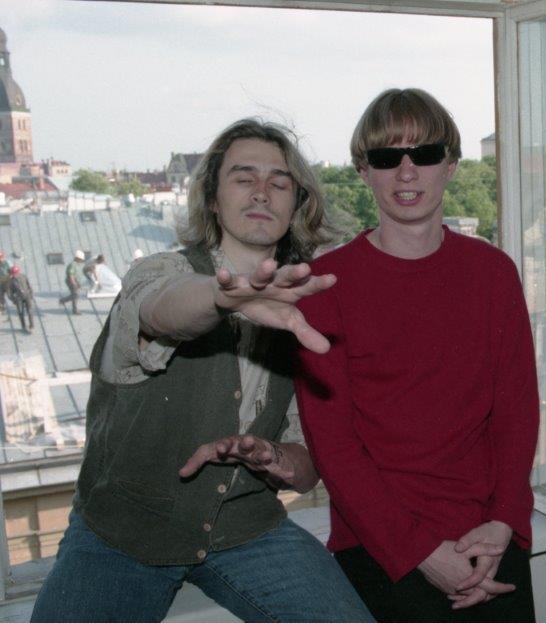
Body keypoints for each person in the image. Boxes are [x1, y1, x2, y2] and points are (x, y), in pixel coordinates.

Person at [31, 118, 373, 623]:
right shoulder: (160, 273)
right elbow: (161, 308)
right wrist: (219, 296)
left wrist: (272, 456)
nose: (261, 191)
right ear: (212, 198)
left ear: (296, 204)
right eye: (243, 177)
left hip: (247, 529)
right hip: (121, 535)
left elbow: (305, 474)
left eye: (279, 182)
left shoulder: (303, 313)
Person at [295, 88, 539, 622]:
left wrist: (504, 522)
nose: (406, 172)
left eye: (424, 153)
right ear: (364, 171)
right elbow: (334, 446)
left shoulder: (493, 273)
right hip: (381, 546)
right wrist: (419, 552)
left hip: (491, 538)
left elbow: (516, 411)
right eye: (387, 157)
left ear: (450, 165)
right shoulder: (324, 285)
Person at [6, 264, 33, 332]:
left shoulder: (23, 277)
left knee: (29, 311)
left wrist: (31, 294)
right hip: (18, 298)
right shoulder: (11, 281)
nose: (15, 275)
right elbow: (9, 292)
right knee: (20, 312)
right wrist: (13, 299)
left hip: (27, 296)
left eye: (16, 273)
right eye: (13, 273)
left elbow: (29, 285)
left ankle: (31, 325)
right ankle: (23, 326)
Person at [59, 249, 86, 314]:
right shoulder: (72, 265)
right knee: (75, 295)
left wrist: (78, 283)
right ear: (77, 258)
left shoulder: (77, 265)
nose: (81, 261)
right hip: (72, 282)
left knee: (75, 295)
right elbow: (71, 275)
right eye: (81, 259)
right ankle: (74, 309)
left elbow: (77, 275)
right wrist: (74, 283)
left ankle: (63, 301)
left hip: (76, 282)